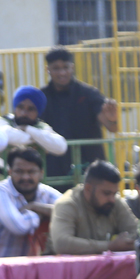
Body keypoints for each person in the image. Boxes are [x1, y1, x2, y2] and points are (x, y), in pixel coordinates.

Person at [41, 47, 118, 182]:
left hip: (89, 168)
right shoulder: (41, 97)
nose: (62, 72)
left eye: (65, 67)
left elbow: (112, 128)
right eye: (56, 68)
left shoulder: (89, 94)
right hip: (54, 170)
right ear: (48, 69)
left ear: (72, 67)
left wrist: (112, 119)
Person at [0, 148, 61, 258]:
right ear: (10, 172)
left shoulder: (46, 192)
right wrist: (42, 214)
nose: (25, 177)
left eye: (31, 172)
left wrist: (34, 206)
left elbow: (70, 212)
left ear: (41, 173)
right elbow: (19, 227)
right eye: (19, 171)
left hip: (33, 266)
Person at [48, 159, 138, 255]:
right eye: (106, 193)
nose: (112, 199)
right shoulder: (67, 204)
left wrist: (126, 241)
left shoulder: (114, 202)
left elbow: (138, 233)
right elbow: (62, 244)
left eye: (114, 193)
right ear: (88, 188)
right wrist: (110, 246)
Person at [0, 86, 68, 158]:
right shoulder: (1, 120)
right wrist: (36, 139)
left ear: (38, 112)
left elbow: (61, 147)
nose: (24, 113)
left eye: (30, 109)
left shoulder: (41, 127)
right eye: (20, 107)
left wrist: (27, 129)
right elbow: (3, 133)